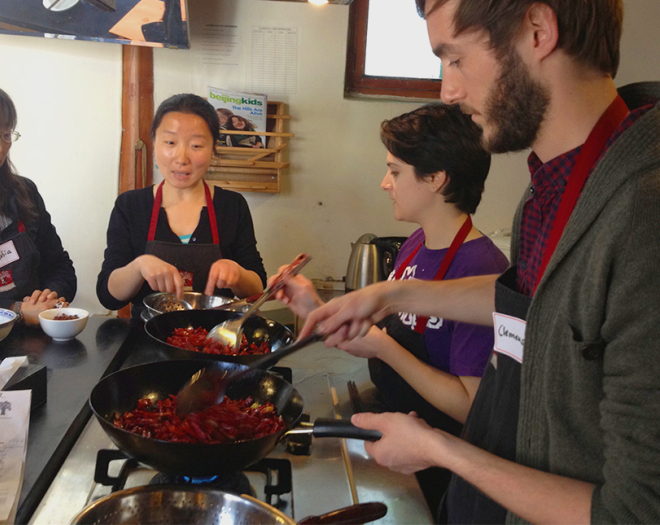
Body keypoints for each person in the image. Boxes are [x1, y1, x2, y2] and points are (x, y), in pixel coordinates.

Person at [300, 0, 660, 523]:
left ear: (537, 31)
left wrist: (438, 450)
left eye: (455, 59)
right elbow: (534, 306)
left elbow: (633, 513)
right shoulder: (549, 190)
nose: (448, 90)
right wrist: (389, 293)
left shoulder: (643, 214)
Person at [276, 103, 508, 515]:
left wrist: (385, 349)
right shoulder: (416, 244)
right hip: (396, 426)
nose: (385, 183)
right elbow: (377, 329)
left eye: (395, 171)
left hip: (440, 464)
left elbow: (472, 407)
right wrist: (314, 305)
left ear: (436, 179)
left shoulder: (481, 268)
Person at [97, 94, 266, 319]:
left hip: (215, 339)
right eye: (170, 143)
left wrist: (238, 275)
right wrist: (139, 266)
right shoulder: (130, 205)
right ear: (154, 142)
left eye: (196, 145)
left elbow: (257, 289)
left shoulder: (232, 206)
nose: (181, 157)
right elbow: (108, 295)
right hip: (146, 343)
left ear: (213, 148)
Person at [0, 77, 76, 325]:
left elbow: (59, 266)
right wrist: (17, 311)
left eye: (4, 134)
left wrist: (51, 298)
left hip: (34, 345)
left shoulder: (23, 192)